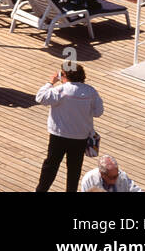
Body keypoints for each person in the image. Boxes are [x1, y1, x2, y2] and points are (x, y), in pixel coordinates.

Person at [34, 65, 104, 193]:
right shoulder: (91, 92)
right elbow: (98, 112)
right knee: (74, 169)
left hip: (58, 136)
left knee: (50, 166)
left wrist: (51, 82)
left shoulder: (61, 90)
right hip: (80, 137)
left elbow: (40, 97)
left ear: (65, 76)